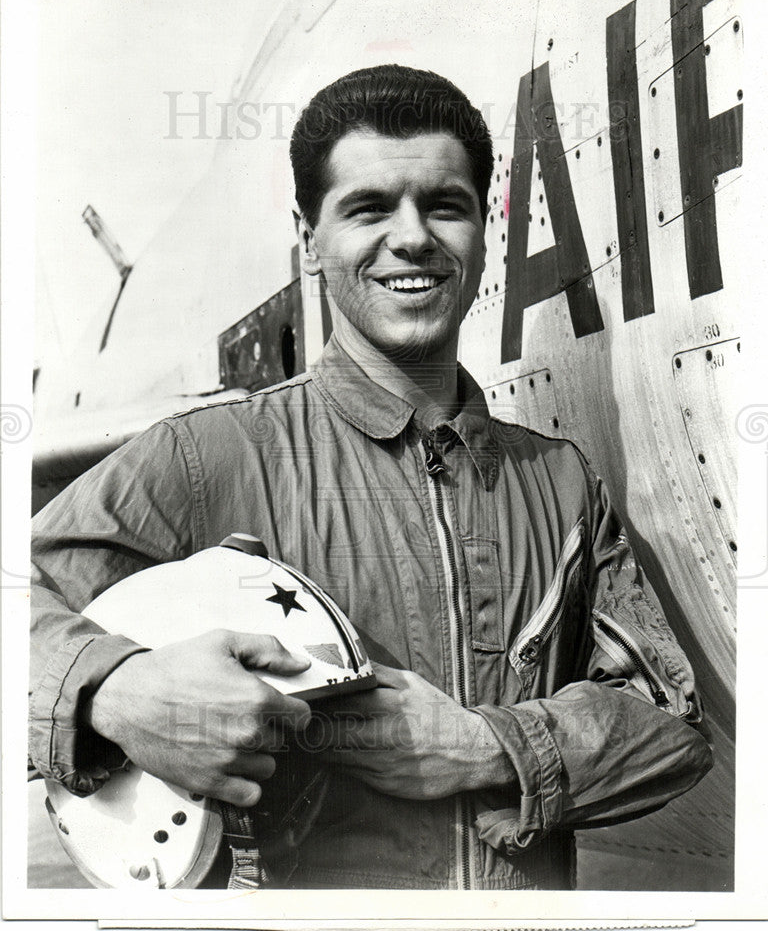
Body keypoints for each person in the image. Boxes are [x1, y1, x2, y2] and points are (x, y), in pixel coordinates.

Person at [30, 65, 712, 891]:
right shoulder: (208, 458)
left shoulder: (561, 483)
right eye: (368, 208)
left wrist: (484, 747)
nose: (414, 236)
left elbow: (670, 726)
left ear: (484, 229)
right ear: (310, 239)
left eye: (445, 205)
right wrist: (121, 690)